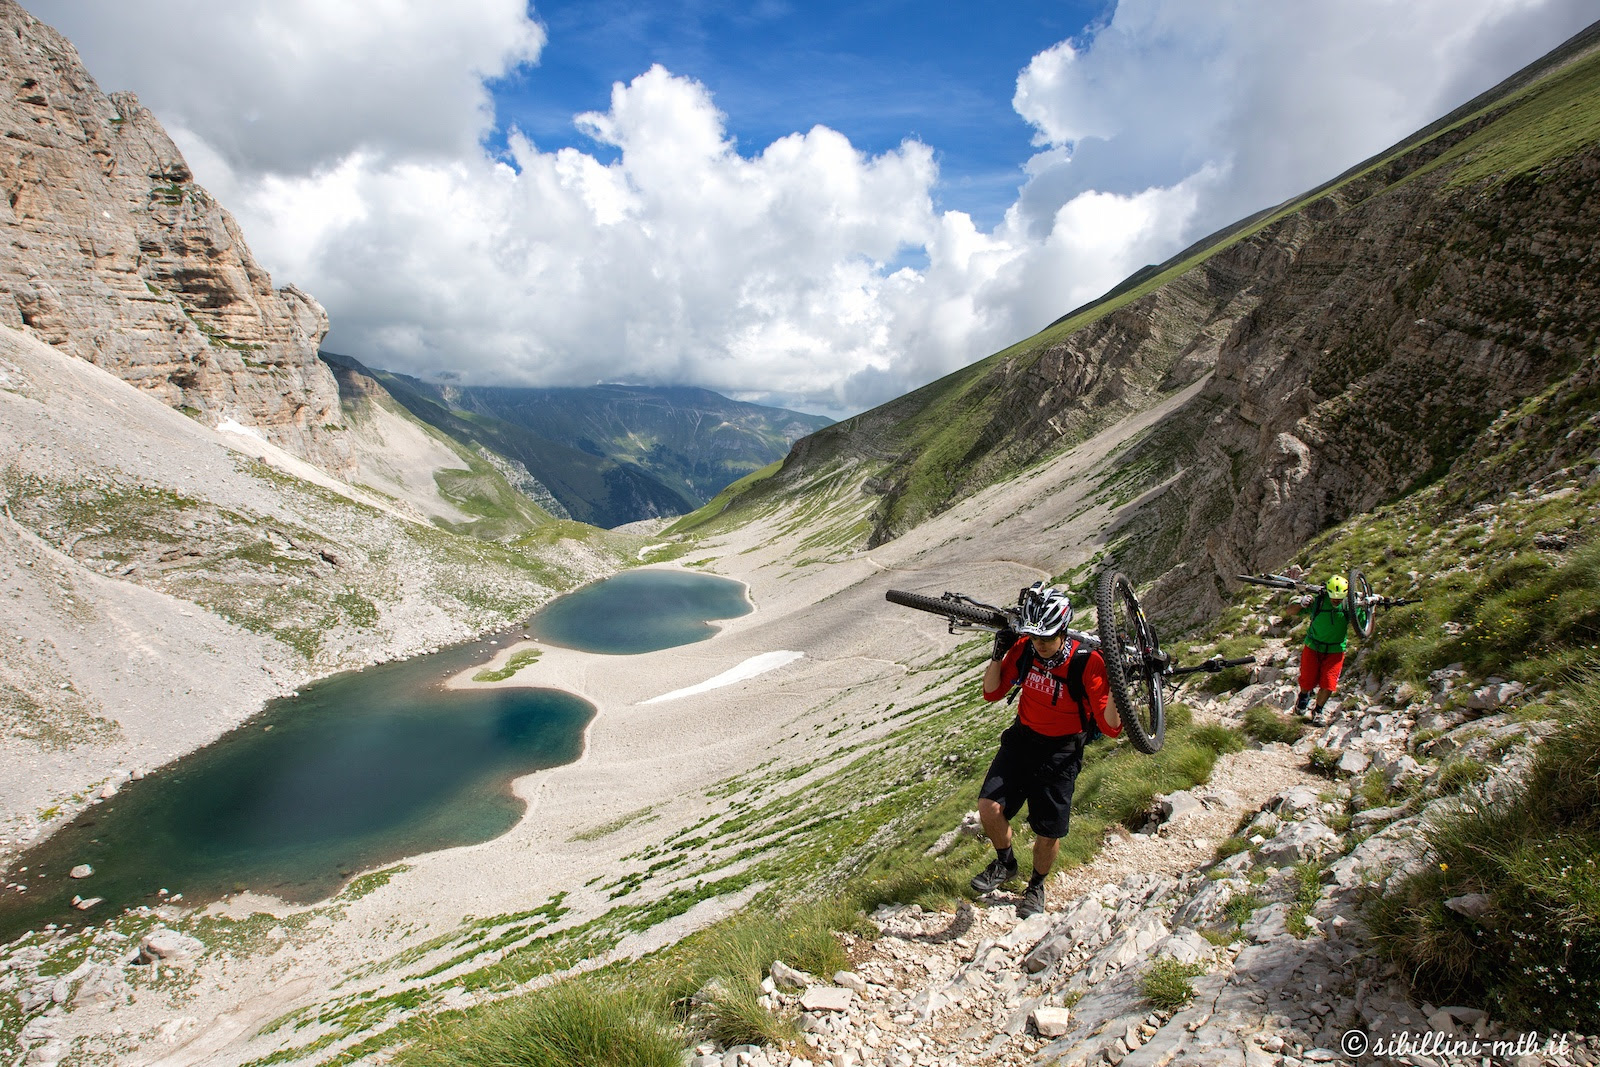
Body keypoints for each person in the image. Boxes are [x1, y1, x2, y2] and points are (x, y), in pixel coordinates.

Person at [970, 582, 1122, 918]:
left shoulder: (1089, 663)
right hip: (1023, 739)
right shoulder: (1026, 648)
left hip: (1061, 752)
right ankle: (1005, 864)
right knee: (988, 807)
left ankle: (1036, 886)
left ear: (1063, 631)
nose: (1040, 644)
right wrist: (999, 653)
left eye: (1047, 638)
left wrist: (1118, 687)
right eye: (1035, 637)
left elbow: (1111, 726)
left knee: (1047, 832)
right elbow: (992, 692)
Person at [1283, 567, 1368, 721]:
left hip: (1335, 649)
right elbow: (1290, 611)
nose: (1336, 601)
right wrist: (1301, 603)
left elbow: (1365, 627)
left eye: (1339, 598)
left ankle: (1318, 711)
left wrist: (1369, 609)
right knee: (1307, 680)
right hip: (1314, 646)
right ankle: (1303, 696)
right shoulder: (1319, 601)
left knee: (1328, 683)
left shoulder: (1349, 605)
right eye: (1333, 597)